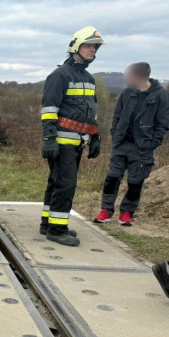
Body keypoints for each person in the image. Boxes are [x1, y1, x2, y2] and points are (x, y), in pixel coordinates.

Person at [40, 27, 104, 247]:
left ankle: (47, 223)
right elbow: (49, 110)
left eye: (95, 47)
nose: (92, 50)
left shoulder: (89, 78)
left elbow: (92, 111)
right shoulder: (59, 76)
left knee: (56, 182)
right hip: (61, 141)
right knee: (66, 185)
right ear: (75, 46)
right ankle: (57, 230)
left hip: (78, 142)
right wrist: (49, 139)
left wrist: (95, 138)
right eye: (88, 45)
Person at [93, 63, 169, 226]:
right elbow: (117, 115)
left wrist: (151, 144)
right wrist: (115, 133)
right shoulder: (127, 93)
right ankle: (106, 210)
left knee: (136, 182)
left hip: (142, 148)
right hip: (121, 144)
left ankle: (127, 213)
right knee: (112, 178)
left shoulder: (161, 96)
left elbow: (163, 124)